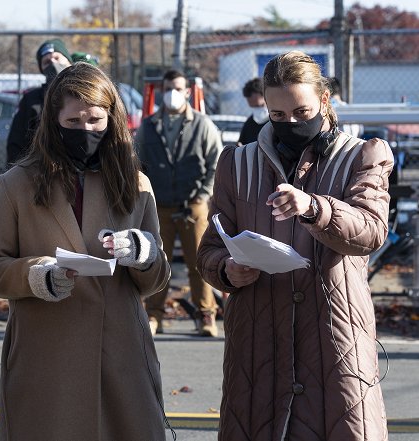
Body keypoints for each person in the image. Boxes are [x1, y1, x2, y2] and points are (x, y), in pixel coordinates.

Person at [197, 50, 390, 440]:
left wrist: (315, 208)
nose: (291, 124)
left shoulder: (362, 154)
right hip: (258, 336)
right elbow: (210, 248)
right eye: (278, 115)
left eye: (302, 113)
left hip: (334, 329)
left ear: (323, 100)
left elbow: (371, 230)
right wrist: (227, 269)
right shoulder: (237, 163)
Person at [0, 62, 171, 440]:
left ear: (112, 118)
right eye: (74, 121)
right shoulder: (16, 184)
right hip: (46, 354)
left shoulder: (135, 181)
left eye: (96, 120)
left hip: (121, 352)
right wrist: (35, 275)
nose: (86, 130)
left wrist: (143, 252)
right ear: (53, 120)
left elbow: (155, 279)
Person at [135, 69, 223, 336]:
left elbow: (216, 161)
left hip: (193, 202)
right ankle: (154, 315)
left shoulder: (202, 124)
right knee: (156, 259)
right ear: (161, 91)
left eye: (177, 88)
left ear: (187, 91)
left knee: (199, 261)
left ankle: (205, 316)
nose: (172, 93)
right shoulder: (148, 125)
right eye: (167, 88)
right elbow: (137, 162)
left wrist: (204, 192)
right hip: (157, 202)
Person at [5, 38, 72, 167]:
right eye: (46, 62)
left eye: (57, 58)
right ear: (42, 69)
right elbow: (16, 141)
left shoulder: (84, 93)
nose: (52, 63)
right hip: (42, 169)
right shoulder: (31, 99)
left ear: (69, 62)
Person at [238, 77, 268, 145]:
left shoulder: (276, 122)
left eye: (259, 106)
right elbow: (241, 143)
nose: (257, 110)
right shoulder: (249, 123)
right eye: (253, 107)